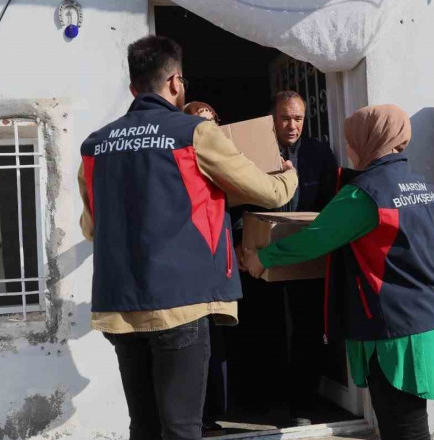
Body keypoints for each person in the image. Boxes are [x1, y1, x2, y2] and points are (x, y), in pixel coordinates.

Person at [78, 35, 298, 440]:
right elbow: (266, 192)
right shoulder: (194, 134)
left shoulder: (95, 146)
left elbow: (91, 226)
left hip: (119, 305)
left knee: (143, 426)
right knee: (181, 428)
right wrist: (288, 175)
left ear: (133, 88)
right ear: (176, 82)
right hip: (181, 303)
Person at [244, 104, 434, 440]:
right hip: (433, 318)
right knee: (412, 421)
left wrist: (264, 258)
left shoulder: (365, 195)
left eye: (351, 140)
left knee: (402, 426)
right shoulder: (424, 186)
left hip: (396, 331)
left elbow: (315, 239)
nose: (347, 148)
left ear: (370, 140)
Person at [228, 90, 337, 426]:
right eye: (285, 118)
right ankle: (266, 398)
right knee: (264, 325)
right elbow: (235, 203)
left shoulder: (319, 153)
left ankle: (304, 401)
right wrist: (237, 244)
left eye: (298, 118)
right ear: (272, 119)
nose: (292, 125)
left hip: (305, 254)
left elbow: (332, 203)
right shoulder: (251, 152)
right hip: (260, 255)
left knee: (307, 326)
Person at [182, 100, 228, 434]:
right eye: (200, 123)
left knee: (216, 346)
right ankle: (195, 420)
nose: (206, 130)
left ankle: (213, 413)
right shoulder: (174, 163)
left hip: (221, 268)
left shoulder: (226, 160)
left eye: (211, 123)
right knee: (191, 348)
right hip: (185, 273)